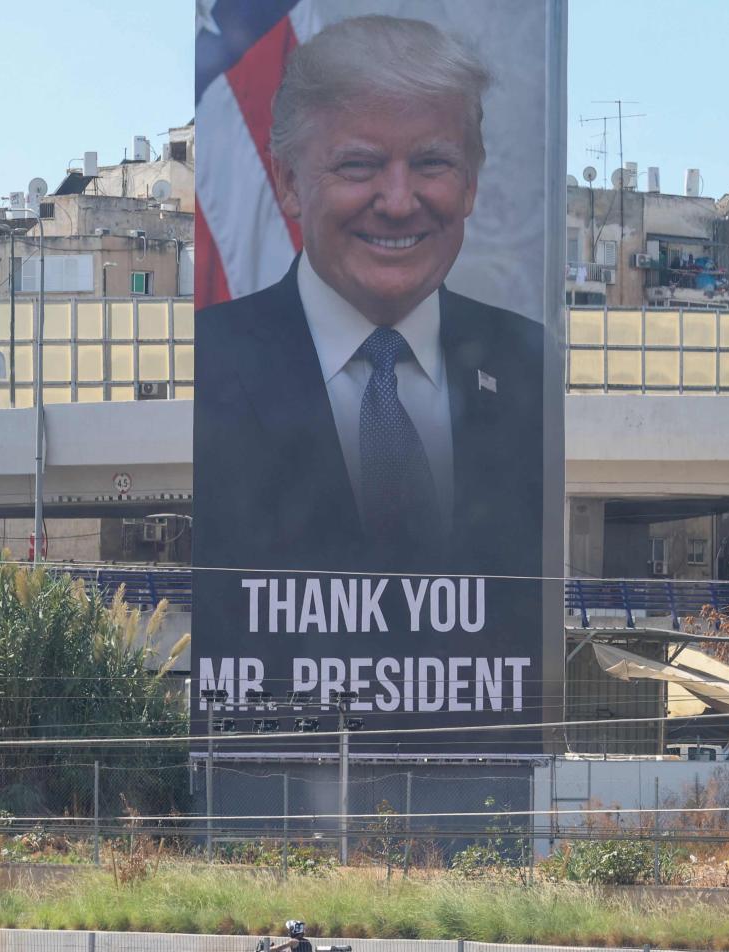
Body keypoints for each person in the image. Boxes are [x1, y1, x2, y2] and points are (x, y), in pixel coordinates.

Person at [195, 14, 545, 579]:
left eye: (432, 163)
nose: (400, 201)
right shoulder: (210, 363)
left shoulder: (529, 363)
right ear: (287, 183)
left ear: (471, 185)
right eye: (359, 165)